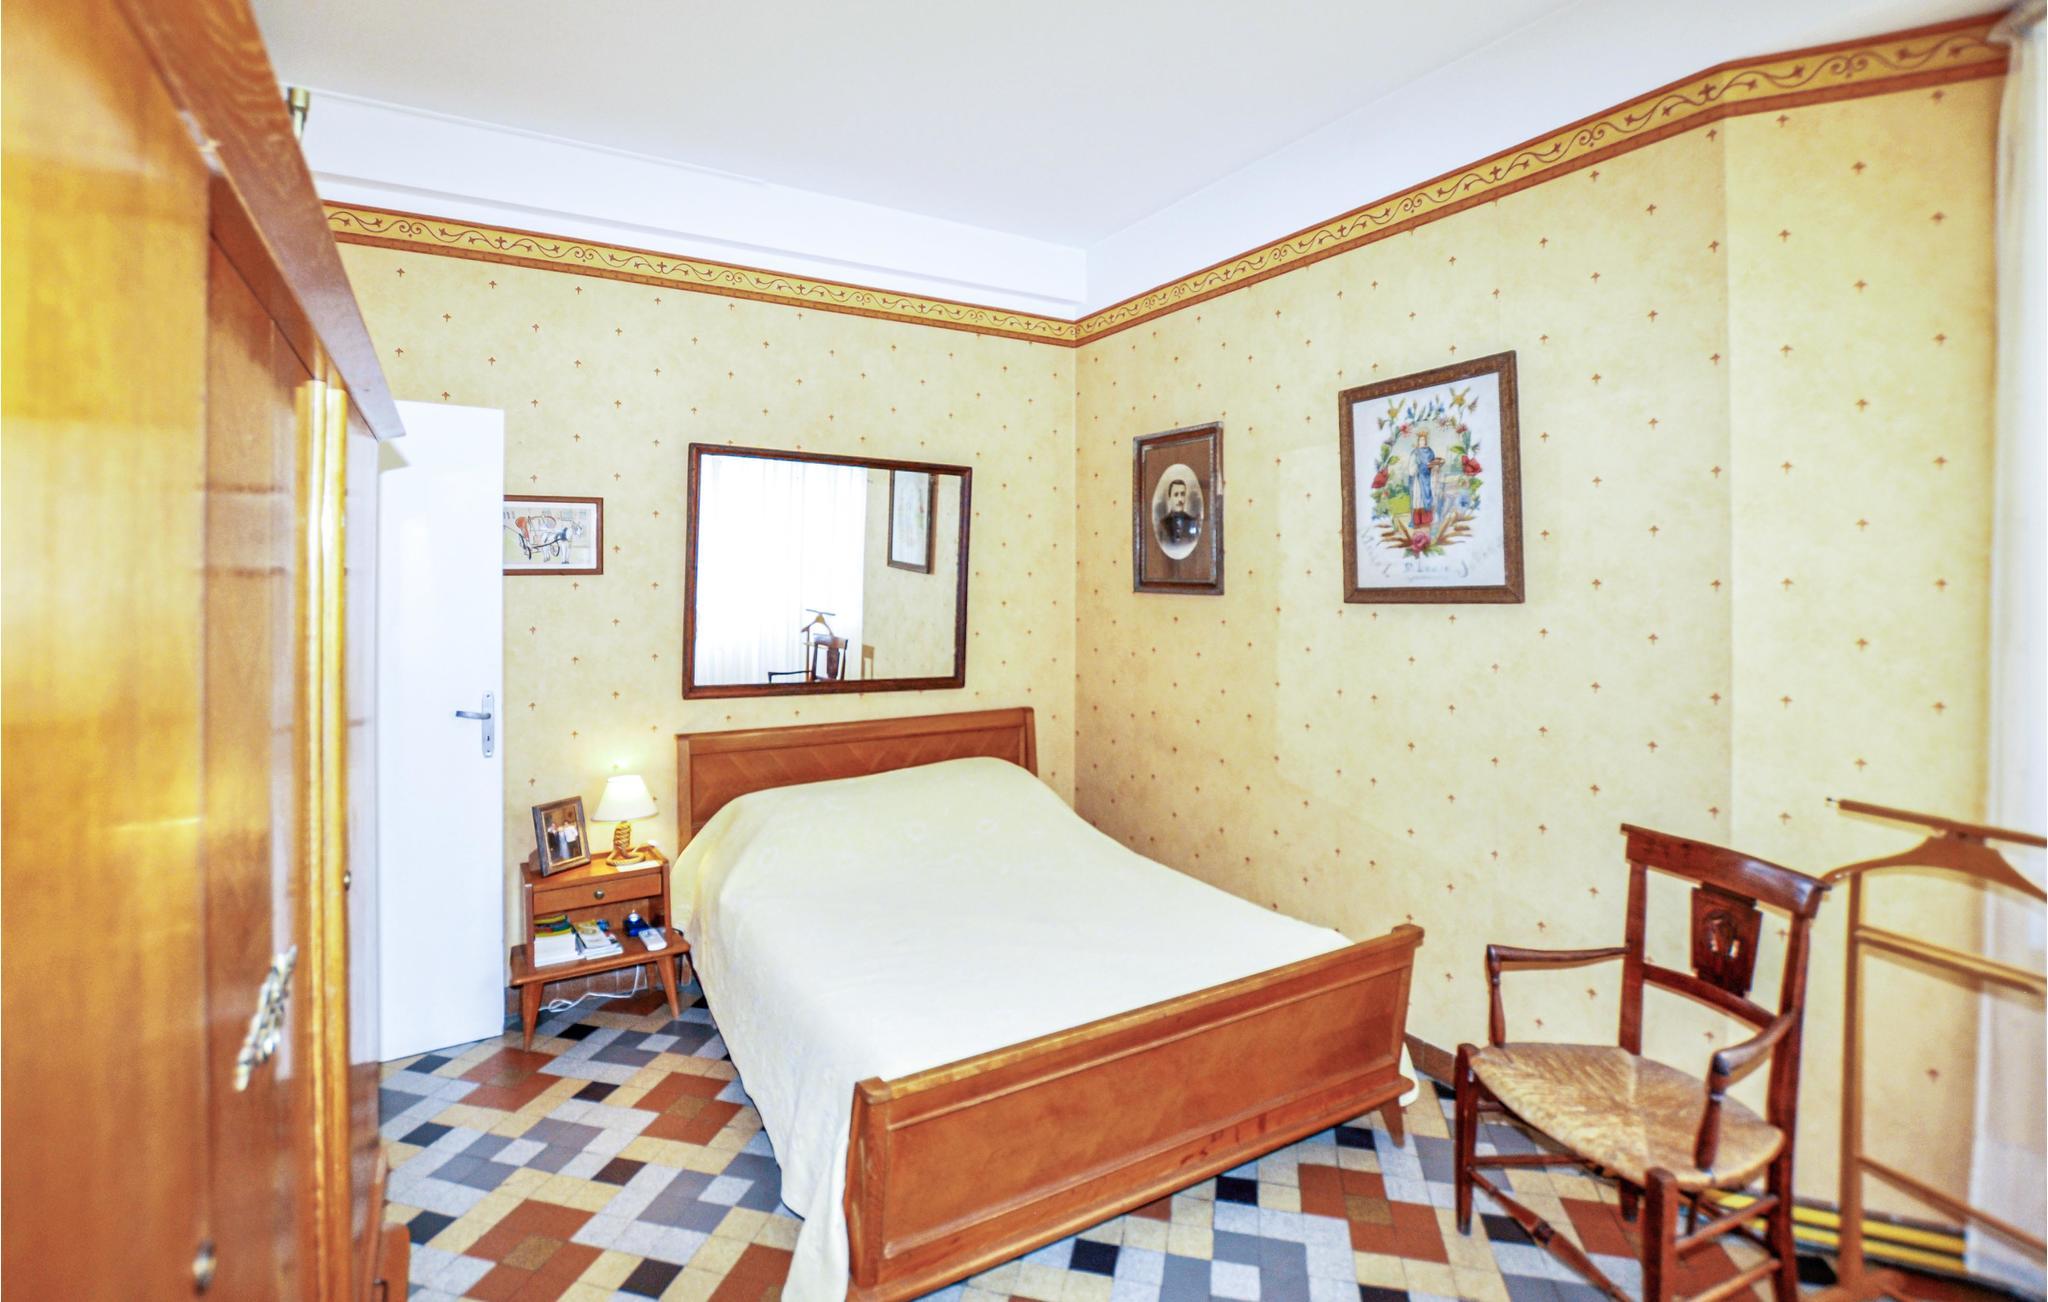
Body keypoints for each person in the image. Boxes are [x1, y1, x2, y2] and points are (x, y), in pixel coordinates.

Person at [1408, 432, 1440, 528]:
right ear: (1418, 441)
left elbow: (1433, 462)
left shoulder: (1430, 451)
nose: (1423, 441)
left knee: (1429, 496)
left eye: (1424, 439)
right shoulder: (1415, 452)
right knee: (1419, 498)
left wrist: (1434, 465)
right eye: (1421, 440)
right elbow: (1411, 468)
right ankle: (1418, 521)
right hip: (1418, 479)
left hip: (1429, 478)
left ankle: (1427, 520)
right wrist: (1418, 468)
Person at [1160, 476, 1201, 547]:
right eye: (1176, 495)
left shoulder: (1192, 522)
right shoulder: (1162, 524)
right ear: (1170, 498)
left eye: (1182, 494)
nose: (1180, 499)